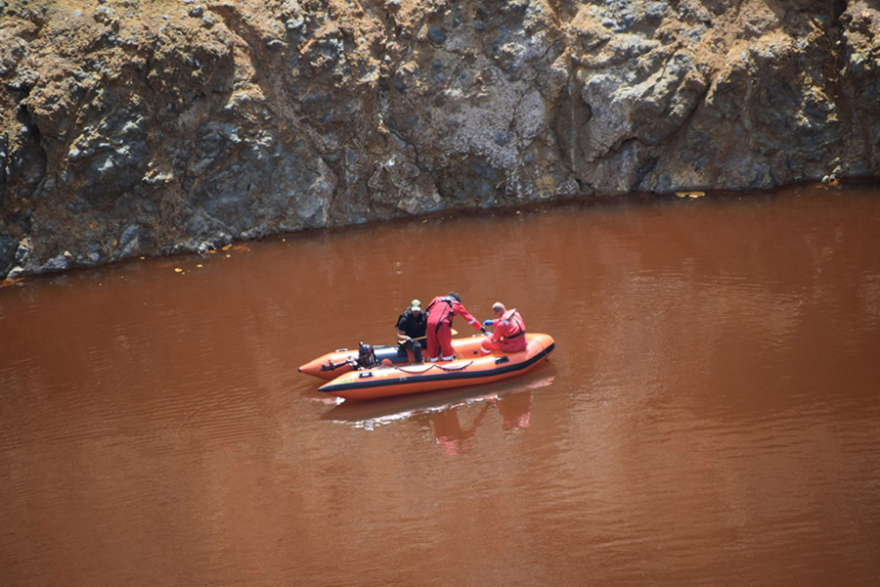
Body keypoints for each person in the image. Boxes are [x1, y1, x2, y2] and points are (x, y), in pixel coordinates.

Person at [425, 292, 484, 361]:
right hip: (443, 324)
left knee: (432, 346)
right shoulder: (456, 304)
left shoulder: (437, 299)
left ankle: (433, 361)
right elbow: (469, 318)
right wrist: (481, 328)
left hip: (429, 323)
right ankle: (447, 361)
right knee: (446, 349)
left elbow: (427, 311)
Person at [396, 299, 427, 363]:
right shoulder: (404, 320)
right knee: (417, 346)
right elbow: (399, 336)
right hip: (409, 341)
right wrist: (407, 338)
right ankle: (419, 362)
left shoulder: (424, 316)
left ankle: (438, 358)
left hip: (421, 338)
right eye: (414, 310)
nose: (416, 311)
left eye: (417, 310)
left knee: (434, 341)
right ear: (410, 308)